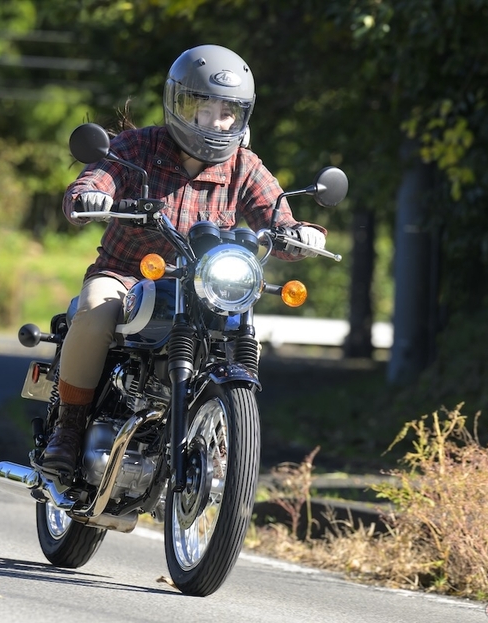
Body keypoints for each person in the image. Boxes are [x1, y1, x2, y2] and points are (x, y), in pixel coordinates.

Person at [38, 44, 328, 481]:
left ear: (242, 116)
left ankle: (223, 437)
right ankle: (69, 427)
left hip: (203, 286)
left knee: (239, 326)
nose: (216, 123)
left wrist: (302, 235)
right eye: (204, 109)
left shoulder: (244, 166)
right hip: (126, 275)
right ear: (179, 103)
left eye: (227, 113)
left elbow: (277, 215)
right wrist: (91, 196)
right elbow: (94, 180)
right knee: (97, 313)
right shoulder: (138, 146)